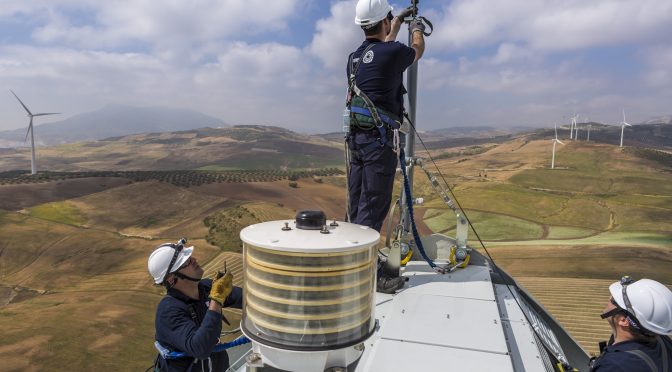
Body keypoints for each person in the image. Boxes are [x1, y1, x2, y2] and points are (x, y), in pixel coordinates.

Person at [346, 0, 425, 293]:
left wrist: (397, 21)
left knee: (357, 206)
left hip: (356, 141)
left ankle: (352, 260)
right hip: (377, 144)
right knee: (373, 206)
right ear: (383, 21)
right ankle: (364, 274)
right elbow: (415, 51)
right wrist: (416, 30)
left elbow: (385, 47)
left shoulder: (355, 57)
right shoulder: (392, 53)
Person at [148, 239, 243, 372]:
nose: (194, 260)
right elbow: (200, 348)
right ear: (171, 278)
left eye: (190, 257)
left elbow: (246, 298)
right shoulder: (169, 311)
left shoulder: (205, 288)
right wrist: (216, 300)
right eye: (186, 262)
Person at [590, 276, 672, 371]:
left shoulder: (613, 366)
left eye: (614, 300)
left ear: (623, 320)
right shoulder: (663, 340)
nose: (609, 297)